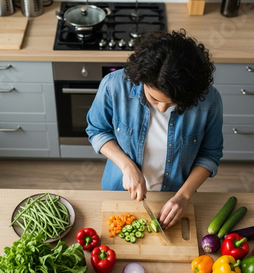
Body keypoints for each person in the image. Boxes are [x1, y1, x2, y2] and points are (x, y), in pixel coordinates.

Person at [86, 29, 223, 229]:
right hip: (118, 192)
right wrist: (127, 166)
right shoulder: (113, 87)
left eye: (173, 103)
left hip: (174, 197)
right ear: (141, 80)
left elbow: (210, 154)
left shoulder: (209, 101)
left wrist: (183, 197)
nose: (161, 108)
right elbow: (97, 130)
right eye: (154, 99)